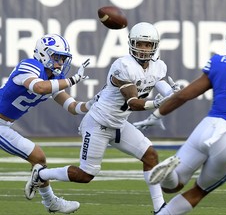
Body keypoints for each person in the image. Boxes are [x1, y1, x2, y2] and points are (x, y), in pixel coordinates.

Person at [133, 18, 226, 215]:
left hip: (208, 127)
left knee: (171, 185)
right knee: (198, 191)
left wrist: (157, 114)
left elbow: (185, 94)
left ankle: (170, 173)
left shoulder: (219, 62)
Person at [25, 22, 180, 214]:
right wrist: (155, 104)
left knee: (150, 156)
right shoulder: (123, 66)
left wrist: (173, 93)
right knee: (86, 175)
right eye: (139, 44)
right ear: (131, 43)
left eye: (147, 45)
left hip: (119, 124)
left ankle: (160, 208)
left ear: (155, 46)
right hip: (98, 124)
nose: (143, 49)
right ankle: (41, 174)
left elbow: (161, 83)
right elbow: (132, 102)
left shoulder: (158, 67)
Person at [0, 34, 94, 214]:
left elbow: (73, 107)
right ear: (43, 54)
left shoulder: (52, 81)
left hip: (4, 125)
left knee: (39, 159)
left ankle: (50, 202)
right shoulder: (30, 66)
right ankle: (51, 202)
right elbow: (39, 87)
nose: (60, 62)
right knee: (39, 157)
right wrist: (72, 80)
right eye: (56, 57)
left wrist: (95, 103)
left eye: (63, 58)